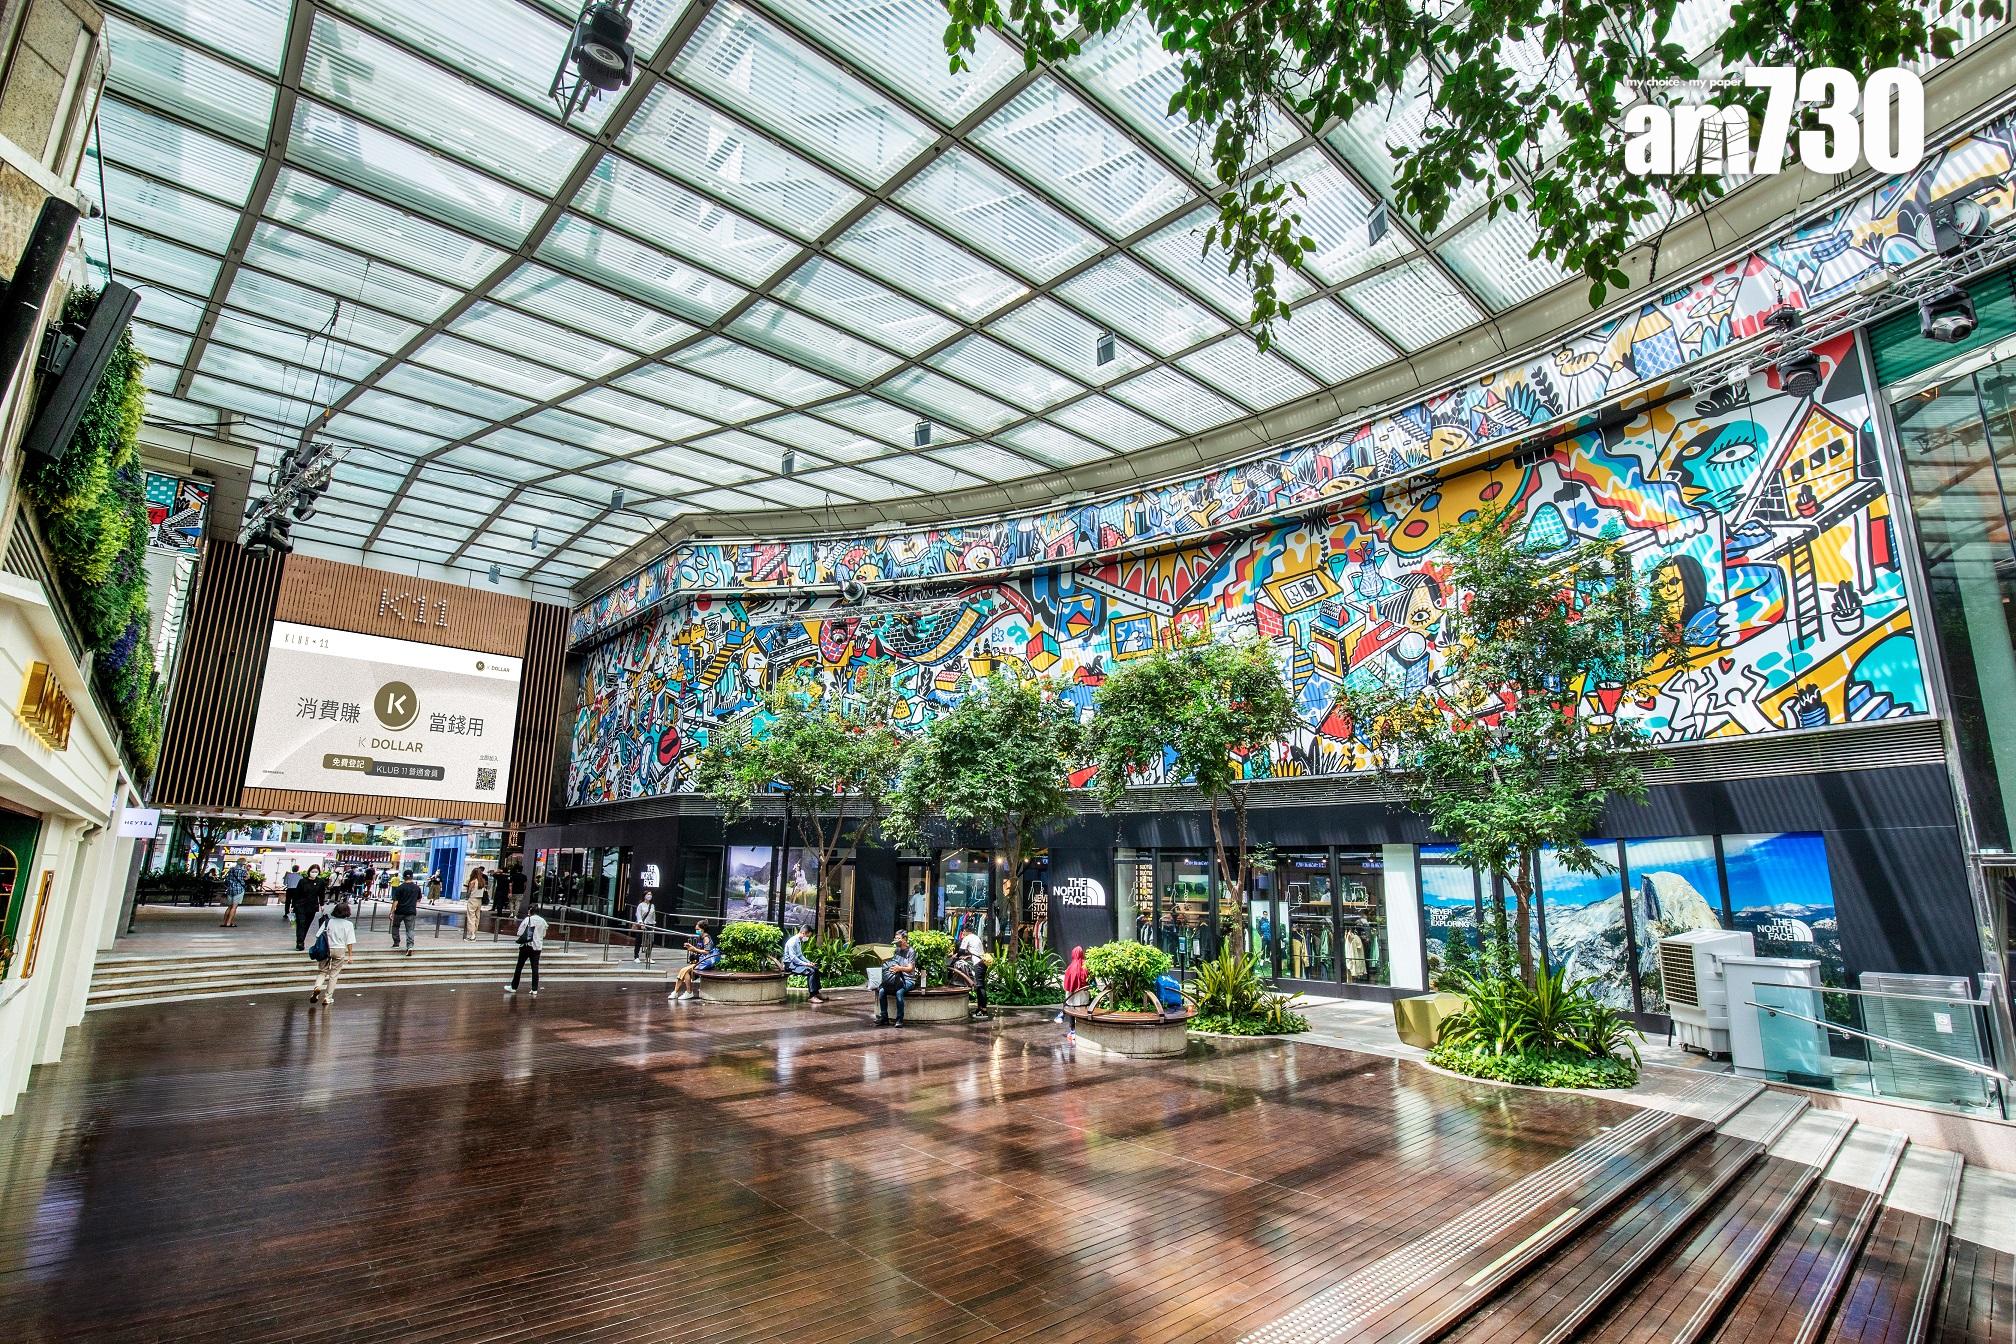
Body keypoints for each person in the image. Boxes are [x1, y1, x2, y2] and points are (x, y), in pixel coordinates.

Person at [307, 901, 357, 1005]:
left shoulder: (328, 922)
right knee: (334, 974)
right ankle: (328, 997)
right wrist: (350, 956)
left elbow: (318, 935)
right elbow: (350, 941)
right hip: (340, 950)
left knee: (322, 972)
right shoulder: (349, 924)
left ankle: (317, 987)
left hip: (326, 949)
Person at [875, 931, 918, 1028]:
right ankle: (884, 1018)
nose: (896, 940)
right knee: (882, 991)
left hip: (908, 979)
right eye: (895, 938)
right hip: (896, 977)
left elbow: (910, 968)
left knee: (899, 992)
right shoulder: (897, 950)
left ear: (905, 939)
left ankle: (899, 1020)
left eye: (898, 938)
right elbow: (893, 963)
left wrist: (899, 968)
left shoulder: (911, 951)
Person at [505, 908, 547, 996]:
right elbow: (543, 934)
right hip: (537, 947)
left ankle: (514, 987)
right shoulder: (543, 921)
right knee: (535, 968)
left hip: (526, 946)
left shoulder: (528, 919)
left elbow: (520, 932)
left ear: (530, 912)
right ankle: (534, 989)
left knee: (519, 967)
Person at [669, 920, 715, 1001]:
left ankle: (683, 992)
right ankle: (682, 992)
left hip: (704, 962)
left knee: (684, 970)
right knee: (685, 972)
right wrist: (691, 947)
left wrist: (694, 949)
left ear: (703, 929)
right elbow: (699, 949)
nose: (696, 930)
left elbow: (707, 952)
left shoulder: (706, 938)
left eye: (698, 929)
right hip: (700, 962)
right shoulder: (700, 937)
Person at [954, 926, 990, 1020]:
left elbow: (961, 951)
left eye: (963, 932)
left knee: (980, 986)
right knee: (980, 986)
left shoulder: (967, 938)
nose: (962, 934)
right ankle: (980, 1009)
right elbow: (975, 951)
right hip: (983, 962)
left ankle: (983, 1011)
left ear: (965, 931)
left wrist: (955, 957)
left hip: (978, 964)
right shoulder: (976, 937)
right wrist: (967, 956)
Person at [781, 925, 824, 1005]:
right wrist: (806, 964)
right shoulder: (793, 942)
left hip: (795, 963)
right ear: (803, 933)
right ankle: (812, 996)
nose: (808, 938)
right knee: (811, 971)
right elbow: (793, 958)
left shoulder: (798, 941)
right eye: (808, 936)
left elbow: (800, 956)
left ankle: (817, 993)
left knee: (815, 968)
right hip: (790, 964)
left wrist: (809, 963)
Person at [291, 864, 328, 951]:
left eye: (316, 872)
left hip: (312, 906)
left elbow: (321, 894)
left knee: (306, 924)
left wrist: (322, 904)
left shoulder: (320, 882)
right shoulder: (302, 881)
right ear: (309, 872)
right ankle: (299, 943)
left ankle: (302, 940)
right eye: (312, 871)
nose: (314, 873)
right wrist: (292, 905)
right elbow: (297, 894)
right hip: (300, 905)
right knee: (301, 923)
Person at [390, 869, 423, 954]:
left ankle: (396, 943)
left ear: (404, 877)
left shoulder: (400, 888)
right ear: (412, 877)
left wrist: (391, 912)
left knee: (395, 926)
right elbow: (419, 899)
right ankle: (410, 946)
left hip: (399, 911)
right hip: (411, 911)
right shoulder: (417, 888)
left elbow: (396, 901)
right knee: (410, 929)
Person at [1057, 945, 1090, 1023]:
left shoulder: (1069, 968)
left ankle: (1071, 1027)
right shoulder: (1086, 967)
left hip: (1071, 996)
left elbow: (1066, 984)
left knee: (1070, 1009)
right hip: (1083, 997)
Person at [629, 892, 657, 965]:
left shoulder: (652, 905)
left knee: (651, 941)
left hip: (650, 925)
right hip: (641, 925)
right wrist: (641, 923)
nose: (649, 896)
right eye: (648, 894)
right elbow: (638, 914)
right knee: (638, 940)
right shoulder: (640, 905)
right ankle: (636, 957)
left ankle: (648, 957)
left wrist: (654, 924)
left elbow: (653, 915)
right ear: (644, 896)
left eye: (650, 894)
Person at [220, 859, 248, 928]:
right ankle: (229, 923)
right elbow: (246, 878)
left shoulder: (231, 869)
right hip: (239, 889)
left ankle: (224, 922)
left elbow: (227, 879)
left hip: (230, 889)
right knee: (234, 907)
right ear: (243, 864)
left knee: (229, 906)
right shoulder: (243, 871)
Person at [462, 867, 486, 940]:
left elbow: (469, 892)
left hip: (473, 899)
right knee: (477, 917)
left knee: (471, 917)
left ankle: (472, 935)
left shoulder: (473, 881)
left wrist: (467, 894)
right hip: (479, 900)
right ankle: (474, 933)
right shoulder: (482, 881)